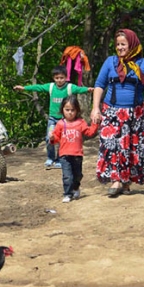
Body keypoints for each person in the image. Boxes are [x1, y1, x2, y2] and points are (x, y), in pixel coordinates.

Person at [90, 28, 144, 196]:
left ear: (132, 44)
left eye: (124, 44)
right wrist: (95, 108)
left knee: (129, 147)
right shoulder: (110, 62)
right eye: (118, 44)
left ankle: (126, 182)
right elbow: (99, 85)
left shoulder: (142, 64)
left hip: (135, 113)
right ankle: (115, 180)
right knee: (111, 145)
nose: (120, 48)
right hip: (112, 111)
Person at [13, 65, 93, 168]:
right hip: (52, 119)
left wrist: (88, 89)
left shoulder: (69, 87)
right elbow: (38, 87)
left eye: (61, 78)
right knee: (49, 138)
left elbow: (79, 89)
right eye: (57, 78)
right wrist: (24, 88)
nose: (59, 80)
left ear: (66, 77)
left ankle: (59, 159)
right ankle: (50, 158)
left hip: (64, 121)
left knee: (62, 140)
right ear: (53, 78)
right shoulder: (51, 87)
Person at [50, 95, 99, 203]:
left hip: (77, 154)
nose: (70, 112)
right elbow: (56, 139)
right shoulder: (60, 124)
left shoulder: (80, 122)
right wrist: (52, 138)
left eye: (73, 110)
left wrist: (95, 123)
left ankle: (76, 187)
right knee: (67, 176)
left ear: (77, 110)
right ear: (62, 110)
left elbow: (89, 132)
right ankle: (68, 194)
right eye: (67, 110)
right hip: (64, 155)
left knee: (78, 175)